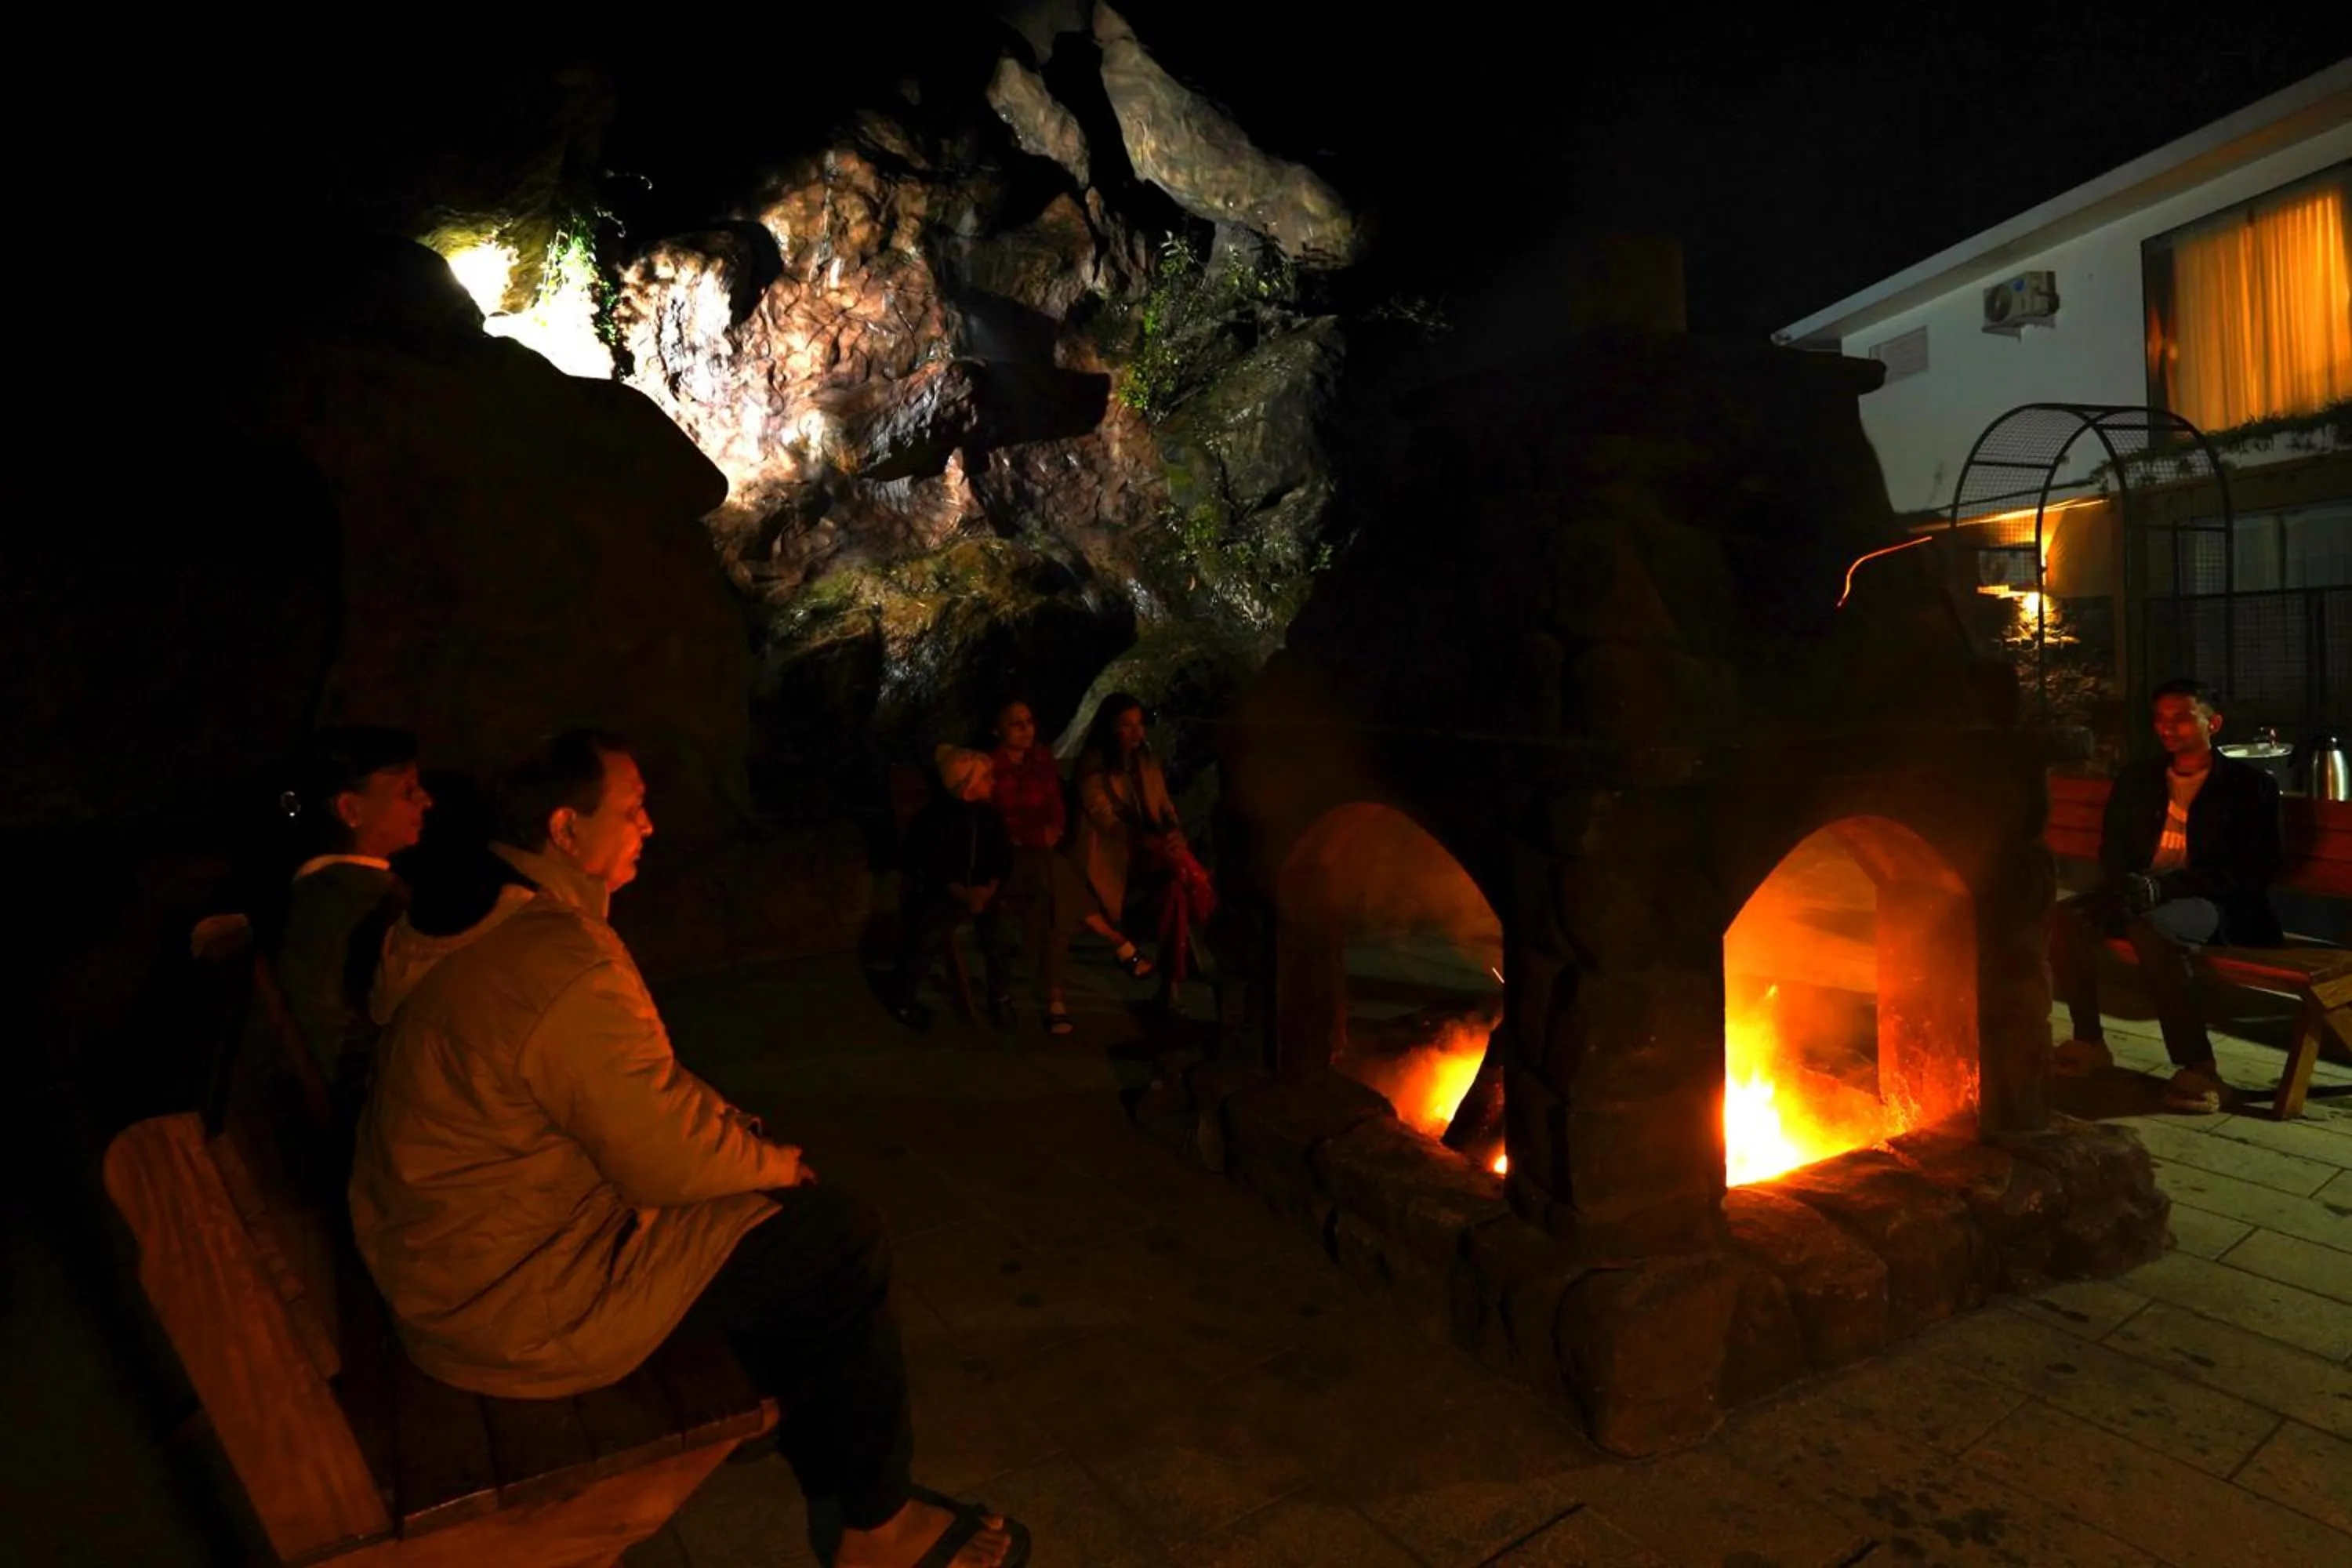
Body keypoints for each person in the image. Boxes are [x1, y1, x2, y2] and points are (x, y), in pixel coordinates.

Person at [350, 730, 1027, 1568]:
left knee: (757, 1203)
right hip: (512, 1304)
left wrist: (735, 1131)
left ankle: (786, 1395)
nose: (650, 826)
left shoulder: (483, 916)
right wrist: (774, 1162)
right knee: (836, 1236)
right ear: (566, 829)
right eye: (632, 809)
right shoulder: (556, 956)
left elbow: (634, 1086)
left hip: (451, 1265)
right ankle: (876, 1528)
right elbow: (658, 1154)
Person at [2049, 679, 2284, 1114]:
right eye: (2160, 719)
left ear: (2212, 723)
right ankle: (2088, 1041)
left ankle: (2198, 1064)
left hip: (2213, 904)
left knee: (2151, 928)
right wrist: (2130, 883)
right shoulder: (2139, 779)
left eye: (2180, 718)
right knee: (2066, 918)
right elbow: (2113, 846)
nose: (2167, 728)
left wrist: (2168, 888)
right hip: (2140, 892)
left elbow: (2257, 867)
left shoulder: (2249, 787)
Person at [273, 725, 431, 1127]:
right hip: (361, 1112)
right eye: (407, 792)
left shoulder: (315, 892)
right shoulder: (373, 903)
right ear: (351, 811)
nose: (426, 802)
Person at [1060, 693, 1216, 1008]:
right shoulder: (1094, 768)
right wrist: (1153, 843)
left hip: (1153, 851)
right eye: (1126, 726)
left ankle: (1172, 980)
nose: (1136, 733)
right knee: (1180, 878)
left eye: (1139, 725)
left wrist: (1174, 833)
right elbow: (1106, 820)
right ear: (1109, 729)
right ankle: (1193, 955)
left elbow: (1164, 804)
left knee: (1176, 887)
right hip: (1115, 856)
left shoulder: (1146, 761)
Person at [891, 746, 1016, 1032]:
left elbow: (1003, 857)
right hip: (945, 892)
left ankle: (1000, 997)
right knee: (926, 934)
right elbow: (932, 865)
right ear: (969, 785)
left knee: (997, 936)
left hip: (982, 891)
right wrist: (963, 893)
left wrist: (989, 888)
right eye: (986, 778)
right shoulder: (934, 820)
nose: (992, 783)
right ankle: (903, 998)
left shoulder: (989, 817)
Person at [987, 699, 1071, 1034]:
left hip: (1039, 855)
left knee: (1050, 891)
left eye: (1029, 721)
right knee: (1053, 888)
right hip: (1008, 858)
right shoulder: (989, 768)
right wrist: (1038, 834)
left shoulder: (1042, 760)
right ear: (998, 730)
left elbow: (1055, 806)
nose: (1026, 729)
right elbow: (999, 824)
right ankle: (1055, 997)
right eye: (1015, 723)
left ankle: (1053, 993)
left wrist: (1052, 831)